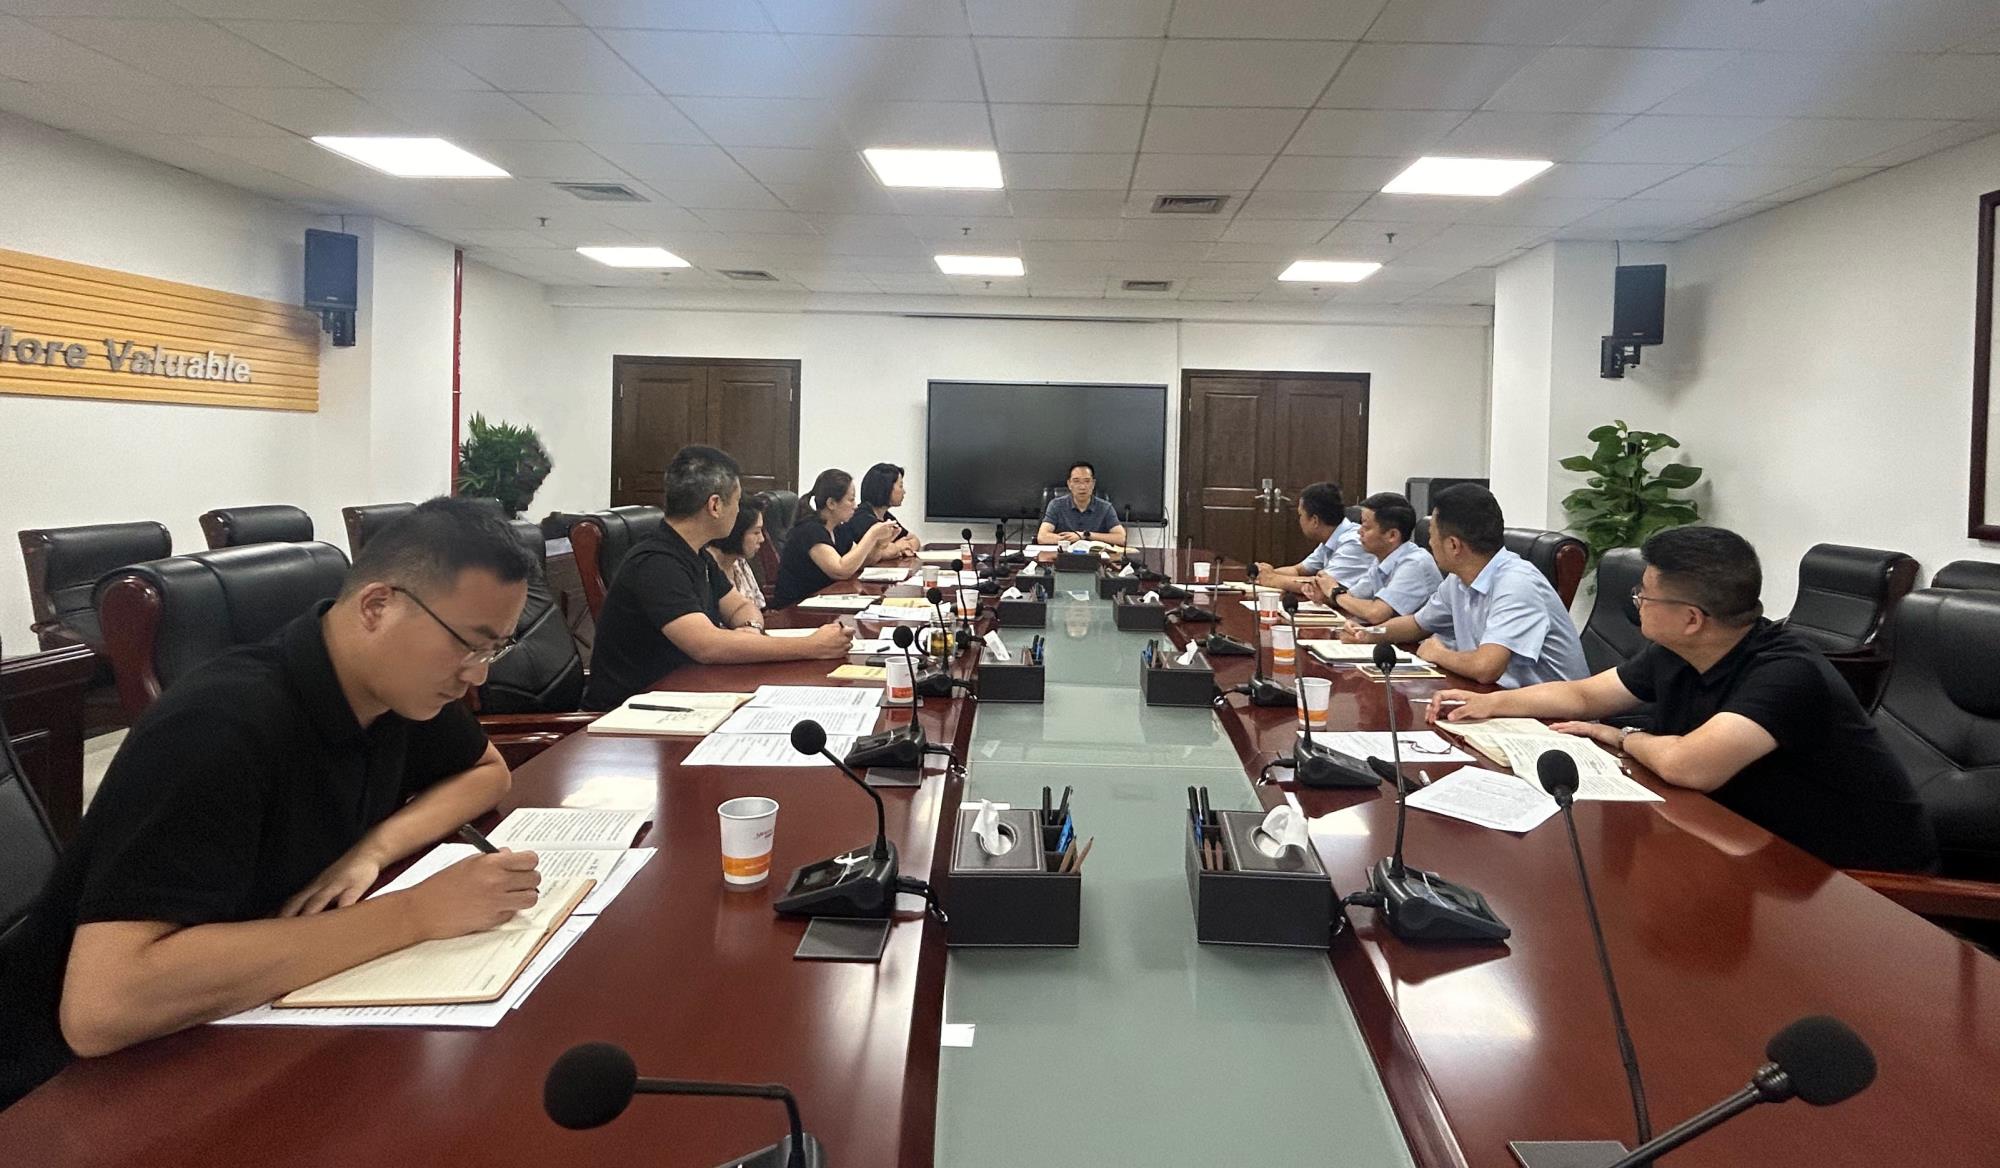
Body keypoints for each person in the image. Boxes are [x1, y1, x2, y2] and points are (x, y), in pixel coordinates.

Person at [0, 498, 548, 1108]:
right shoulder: (219, 727)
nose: (476, 675)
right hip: (61, 1088)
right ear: (377, 606)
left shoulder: (396, 689)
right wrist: (416, 913)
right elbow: (103, 1006)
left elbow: (486, 773)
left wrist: (374, 849)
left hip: (241, 1022)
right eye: (468, 644)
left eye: (493, 650)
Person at [1433, 526, 1938, 873]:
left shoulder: (1787, 673)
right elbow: (1585, 694)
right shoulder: (1677, 650)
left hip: (1852, 880)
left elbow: (1690, 766)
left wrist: (1623, 737)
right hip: (1745, 845)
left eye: (1644, 596)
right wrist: (1491, 705)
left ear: (1692, 618)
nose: (1636, 603)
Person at [585, 447, 852, 709]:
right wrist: (811, 646)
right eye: (736, 502)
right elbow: (707, 646)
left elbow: (741, 606)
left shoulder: (697, 554)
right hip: (634, 714)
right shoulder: (656, 563)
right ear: (715, 505)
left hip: (687, 691)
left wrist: (750, 629)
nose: (738, 511)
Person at [1341, 483, 1586, 687]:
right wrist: (1370, 634)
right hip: (1498, 700)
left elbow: (1486, 667)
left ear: (1454, 545)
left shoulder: (1517, 584)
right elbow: (1417, 624)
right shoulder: (1458, 580)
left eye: (1432, 536)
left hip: (1553, 719)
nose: (1430, 544)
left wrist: (1439, 653)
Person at [1305, 491, 1442, 624]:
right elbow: (1353, 597)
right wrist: (1325, 596)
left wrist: (1334, 592)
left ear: (1392, 535)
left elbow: (1375, 613)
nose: (1359, 531)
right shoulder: (1381, 559)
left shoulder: (1415, 563)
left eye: (1366, 527)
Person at [772, 467, 901, 609]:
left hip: (824, 602)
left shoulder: (839, 529)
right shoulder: (809, 531)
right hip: (794, 609)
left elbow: (862, 562)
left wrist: (880, 544)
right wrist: (872, 535)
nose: (855, 506)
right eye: (850, 500)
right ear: (831, 503)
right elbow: (841, 571)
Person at [1255, 481, 1372, 596]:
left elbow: (1325, 588)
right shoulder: (1331, 538)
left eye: (1300, 515)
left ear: (1315, 521)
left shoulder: (1354, 542)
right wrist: (1264, 573)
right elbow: (1298, 570)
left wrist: (1272, 579)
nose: (1299, 520)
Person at [843, 462, 921, 562]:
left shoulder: (886, 516)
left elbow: (914, 540)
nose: (904, 491)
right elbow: (878, 553)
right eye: (900, 486)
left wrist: (898, 547)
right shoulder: (861, 518)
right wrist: (898, 547)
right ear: (886, 488)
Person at [1037, 461, 1126, 547]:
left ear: (1093, 484)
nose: (1082, 487)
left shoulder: (1105, 508)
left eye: (1087, 481)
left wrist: (1085, 535)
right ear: (1069, 484)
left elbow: (1121, 538)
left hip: (1094, 556)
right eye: (1076, 481)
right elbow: (1042, 537)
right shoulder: (1056, 505)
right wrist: (1071, 539)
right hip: (1064, 555)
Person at [708, 491, 769, 615]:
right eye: (756, 532)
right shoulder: (705, 568)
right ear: (735, 532)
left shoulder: (740, 562)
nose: (762, 539)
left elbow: (759, 608)